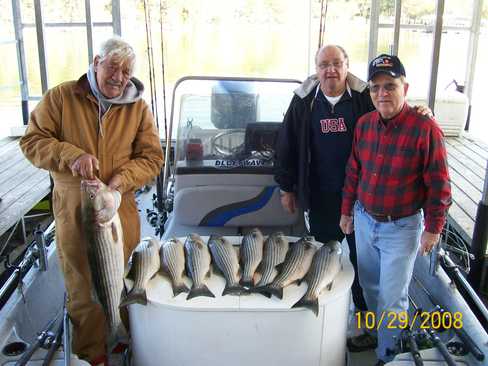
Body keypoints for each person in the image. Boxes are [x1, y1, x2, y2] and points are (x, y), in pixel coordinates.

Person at [20, 37, 164, 365]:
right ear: (96, 61)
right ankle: (92, 357)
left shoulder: (138, 108)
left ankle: (123, 347)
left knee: (127, 282)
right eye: (113, 67)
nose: (119, 76)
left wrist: (120, 181)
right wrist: (70, 155)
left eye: (126, 71)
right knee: (83, 291)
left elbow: (152, 158)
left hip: (118, 208)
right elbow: (32, 142)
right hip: (73, 210)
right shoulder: (61, 97)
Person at [340, 54, 451, 365]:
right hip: (364, 220)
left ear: (406, 87)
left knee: (392, 298)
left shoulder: (425, 128)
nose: (382, 94)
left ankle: (386, 355)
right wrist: (347, 211)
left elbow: (439, 184)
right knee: (371, 288)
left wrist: (433, 228)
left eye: (390, 86)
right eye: (375, 87)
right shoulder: (364, 125)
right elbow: (353, 171)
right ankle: (378, 334)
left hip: (402, 227)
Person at [275, 44, 378, 315]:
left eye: (336, 63)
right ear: (316, 69)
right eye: (323, 65)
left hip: (359, 197)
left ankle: (364, 314)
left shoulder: (363, 99)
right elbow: (286, 145)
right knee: (321, 255)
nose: (330, 70)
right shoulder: (303, 101)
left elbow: (394, 111)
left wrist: (423, 113)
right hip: (319, 195)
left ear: (347, 66)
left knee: (361, 259)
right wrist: (287, 188)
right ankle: (322, 307)